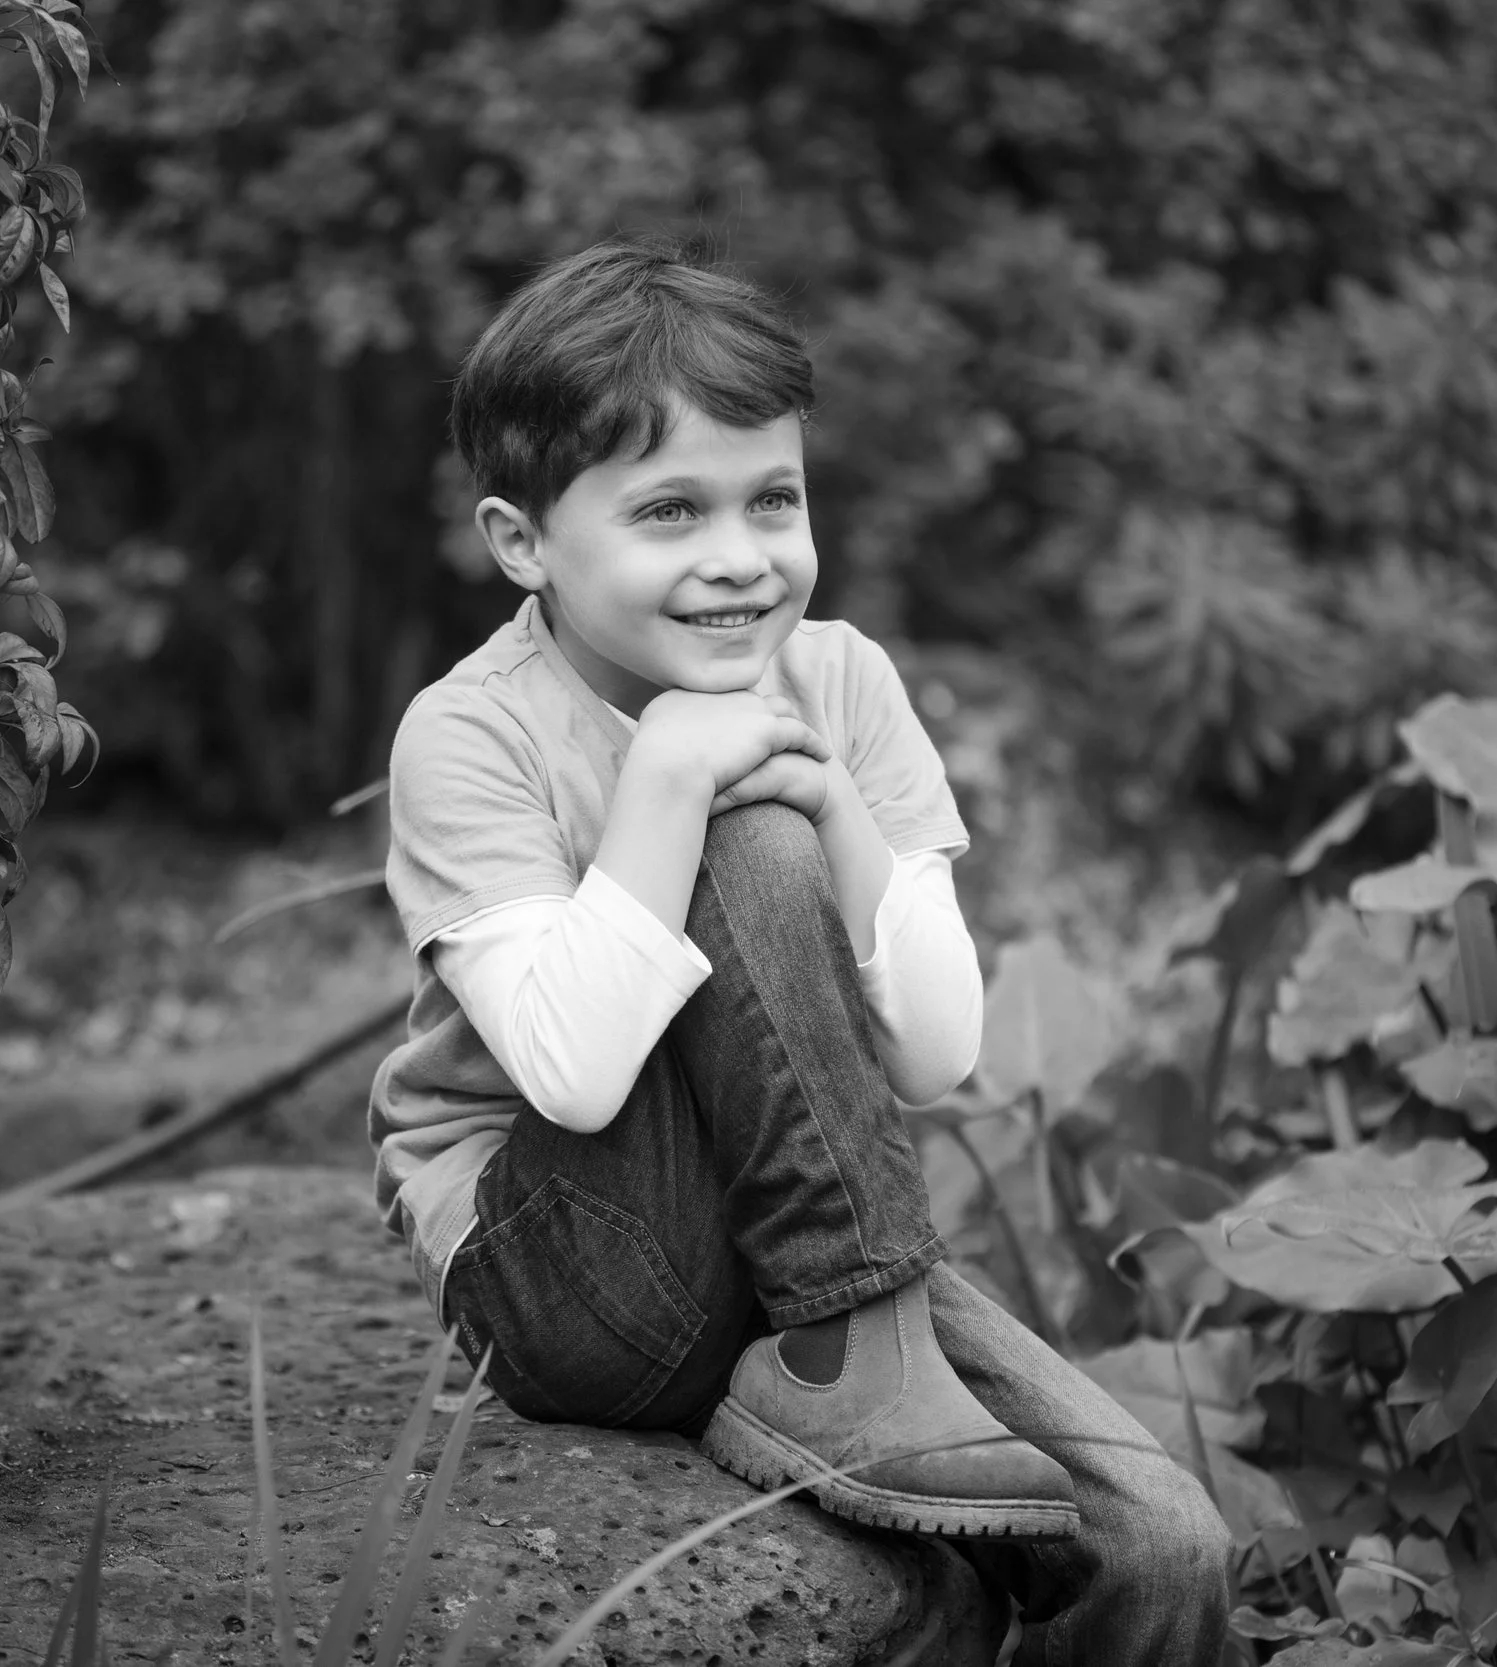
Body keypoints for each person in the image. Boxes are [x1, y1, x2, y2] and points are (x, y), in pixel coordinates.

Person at [365, 231, 1233, 1666]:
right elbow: (572, 1080)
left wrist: (835, 800)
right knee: (742, 832)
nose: (738, 559)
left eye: (772, 497)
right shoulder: (470, 732)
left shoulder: (842, 679)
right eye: (667, 512)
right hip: (569, 1266)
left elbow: (938, 1053)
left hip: (805, 1247)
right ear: (523, 542)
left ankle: (847, 1357)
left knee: (1162, 1542)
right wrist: (669, 780)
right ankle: (842, 1354)